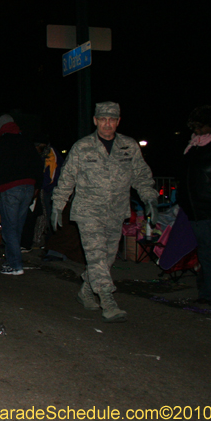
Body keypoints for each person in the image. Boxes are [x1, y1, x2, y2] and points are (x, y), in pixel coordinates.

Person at [51, 102, 157, 323]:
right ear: (95, 120)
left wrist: (150, 198)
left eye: (112, 119)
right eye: (103, 119)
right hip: (88, 211)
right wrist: (58, 204)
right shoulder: (82, 147)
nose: (107, 123)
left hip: (116, 211)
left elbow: (141, 175)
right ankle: (108, 300)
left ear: (118, 122)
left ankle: (86, 291)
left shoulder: (129, 146)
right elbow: (67, 177)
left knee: (105, 259)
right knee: (97, 254)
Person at [0, 116, 42, 275]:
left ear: (1, 129)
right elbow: (38, 163)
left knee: (8, 227)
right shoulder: (26, 142)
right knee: (17, 227)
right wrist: (37, 187)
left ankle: (15, 265)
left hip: (11, 188)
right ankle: (11, 260)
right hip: (28, 187)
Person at [179, 105, 211, 306]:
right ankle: (210, 294)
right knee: (207, 255)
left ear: (210, 125)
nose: (195, 131)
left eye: (199, 126)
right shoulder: (193, 146)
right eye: (193, 126)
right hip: (197, 211)